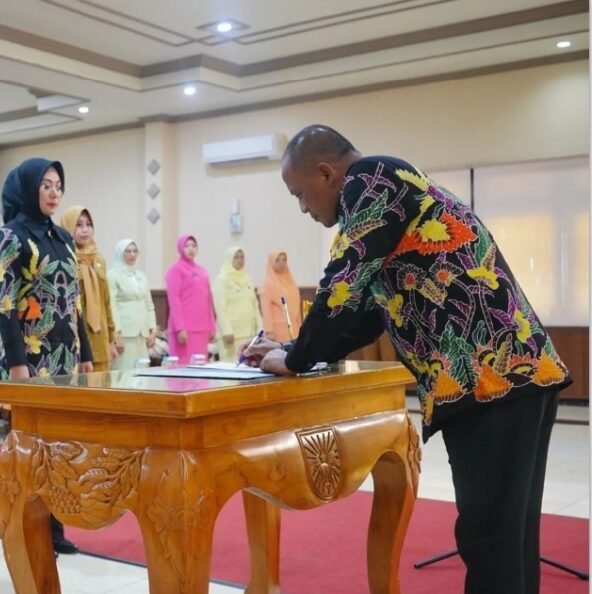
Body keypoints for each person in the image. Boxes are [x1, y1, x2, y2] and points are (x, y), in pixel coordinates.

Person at [243, 124, 571, 594]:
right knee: (509, 539)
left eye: (299, 193)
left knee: (490, 540)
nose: (303, 208)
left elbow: (342, 285)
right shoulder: (393, 193)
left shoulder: (371, 179)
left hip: (489, 379)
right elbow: (363, 317)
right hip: (517, 373)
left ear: (326, 173)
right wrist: (291, 351)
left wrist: (294, 358)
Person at [0, 157, 94, 555]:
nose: (54, 193)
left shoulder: (63, 238)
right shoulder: (11, 237)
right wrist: (17, 364)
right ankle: (25, 529)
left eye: (58, 186)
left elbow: (74, 301)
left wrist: (84, 352)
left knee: (60, 448)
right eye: (46, 185)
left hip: (65, 358)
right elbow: (5, 306)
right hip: (30, 359)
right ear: (28, 188)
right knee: (29, 451)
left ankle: (54, 529)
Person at [60, 206, 117, 372]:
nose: (85, 230)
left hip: (101, 337)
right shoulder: (64, 259)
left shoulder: (98, 260)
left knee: (103, 385)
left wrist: (111, 337)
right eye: (78, 225)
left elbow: (106, 301)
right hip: (76, 340)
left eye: (88, 224)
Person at [164, 235, 215, 364]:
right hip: (184, 330)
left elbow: (208, 300)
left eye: (193, 246)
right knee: (183, 367)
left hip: (201, 329)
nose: (191, 249)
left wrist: (212, 326)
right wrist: (180, 328)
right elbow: (174, 300)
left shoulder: (202, 271)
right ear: (180, 248)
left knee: (200, 367)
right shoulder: (175, 270)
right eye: (187, 246)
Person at [107, 239, 157, 370]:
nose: (132, 254)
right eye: (128, 251)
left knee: (143, 371)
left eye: (135, 251)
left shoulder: (141, 276)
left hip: (142, 333)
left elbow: (149, 304)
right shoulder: (112, 275)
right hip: (125, 333)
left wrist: (153, 329)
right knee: (125, 372)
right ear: (120, 253)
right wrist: (116, 333)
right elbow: (111, 305)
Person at [212, 247, 264, 362]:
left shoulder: (247, 278)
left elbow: (254, 305)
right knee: (230, 367)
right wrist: (227, 331)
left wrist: (260, 328)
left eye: (242, 257)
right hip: (231, 336)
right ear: (229, 259)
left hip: (249, 334)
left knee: (246, 367)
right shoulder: (222, 279)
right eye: (236, 257)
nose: (240, 260)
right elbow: (220, 307)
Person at [259, 250, 302, 341]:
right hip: (277, 332)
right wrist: (269, 331)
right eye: (277, 260)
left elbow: (297, 309)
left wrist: (301, 328)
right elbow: (266, 311)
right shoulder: (267, 285)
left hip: (294, 330)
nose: (281, 263)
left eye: (284, 260)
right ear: (271, 262)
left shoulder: (291, 283)